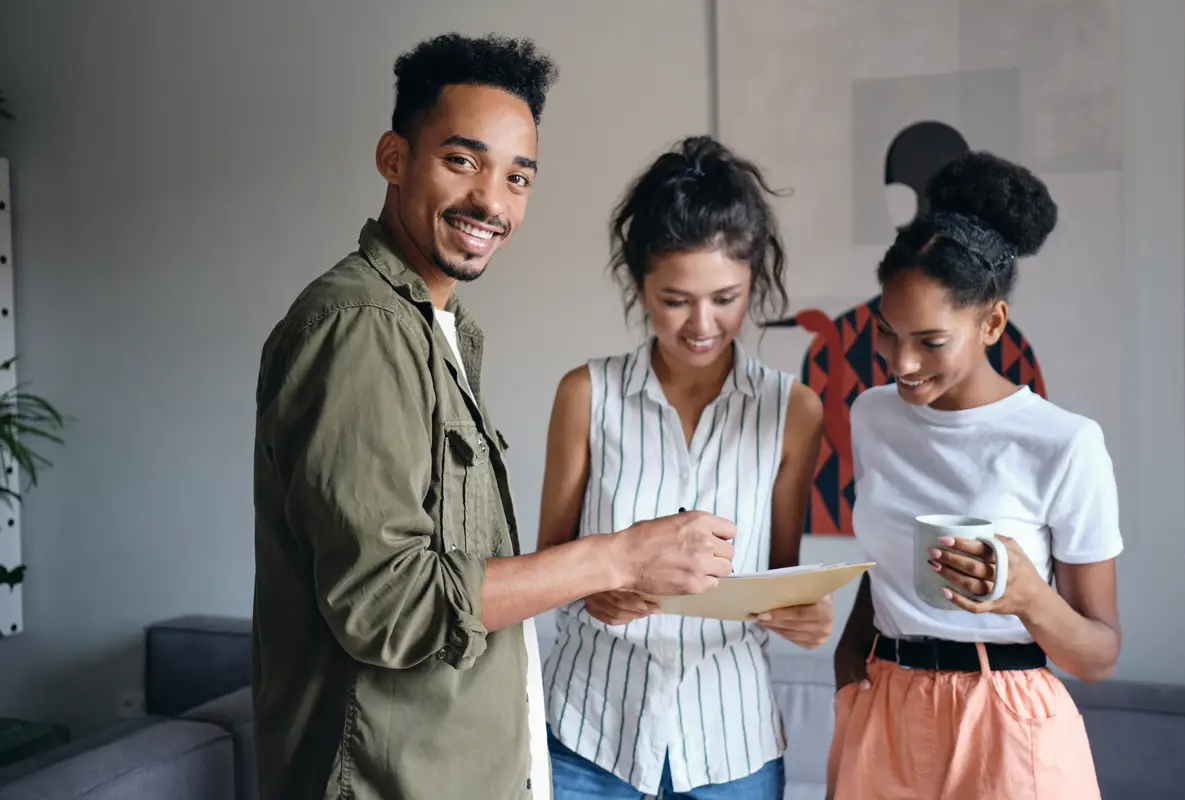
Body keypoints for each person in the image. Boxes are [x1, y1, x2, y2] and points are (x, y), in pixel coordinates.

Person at [251, 35, 740, 800]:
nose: (492, 200)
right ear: (393, 157)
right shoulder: (360, 327)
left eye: (518, 177)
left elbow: (461, 585)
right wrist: (617, 557)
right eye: (462, 161)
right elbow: (387, 606)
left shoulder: (444, 331)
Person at [537, 135, 833, 800]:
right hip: (589, 737)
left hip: (732, 746)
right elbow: (548, 566)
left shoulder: (794, 410)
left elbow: (779, 580)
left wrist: (803, 615)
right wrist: (591, 587)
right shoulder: (587, 396)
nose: (703, 323)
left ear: (753, 279)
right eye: (675, 300)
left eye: (725, 297)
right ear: (639, 284)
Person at [826, 151, 1122, 799]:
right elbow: (884, 568)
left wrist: (1027, 595)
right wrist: (850, 664)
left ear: (991, 322)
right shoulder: (872, 416)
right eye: (887, 333)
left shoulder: (1064, 444)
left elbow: (1098, 654)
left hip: (1007, 718)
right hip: (884, 712)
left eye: (930, 342)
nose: (901, 363)